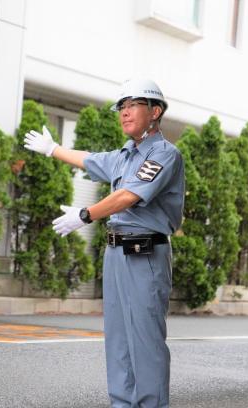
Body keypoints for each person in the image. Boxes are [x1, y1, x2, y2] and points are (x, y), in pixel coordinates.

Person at [23, 78, 185, 408]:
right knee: (118, 339)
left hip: (146, 253)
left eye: (133, 106)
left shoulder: (164, 154)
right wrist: (54, 150)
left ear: (155, 111)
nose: (124, 113)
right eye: (121, 107)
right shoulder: (124, 155)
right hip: (115, 252)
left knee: (145, 340)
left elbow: (127, 196)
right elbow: (89, 159)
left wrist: (85, 214)